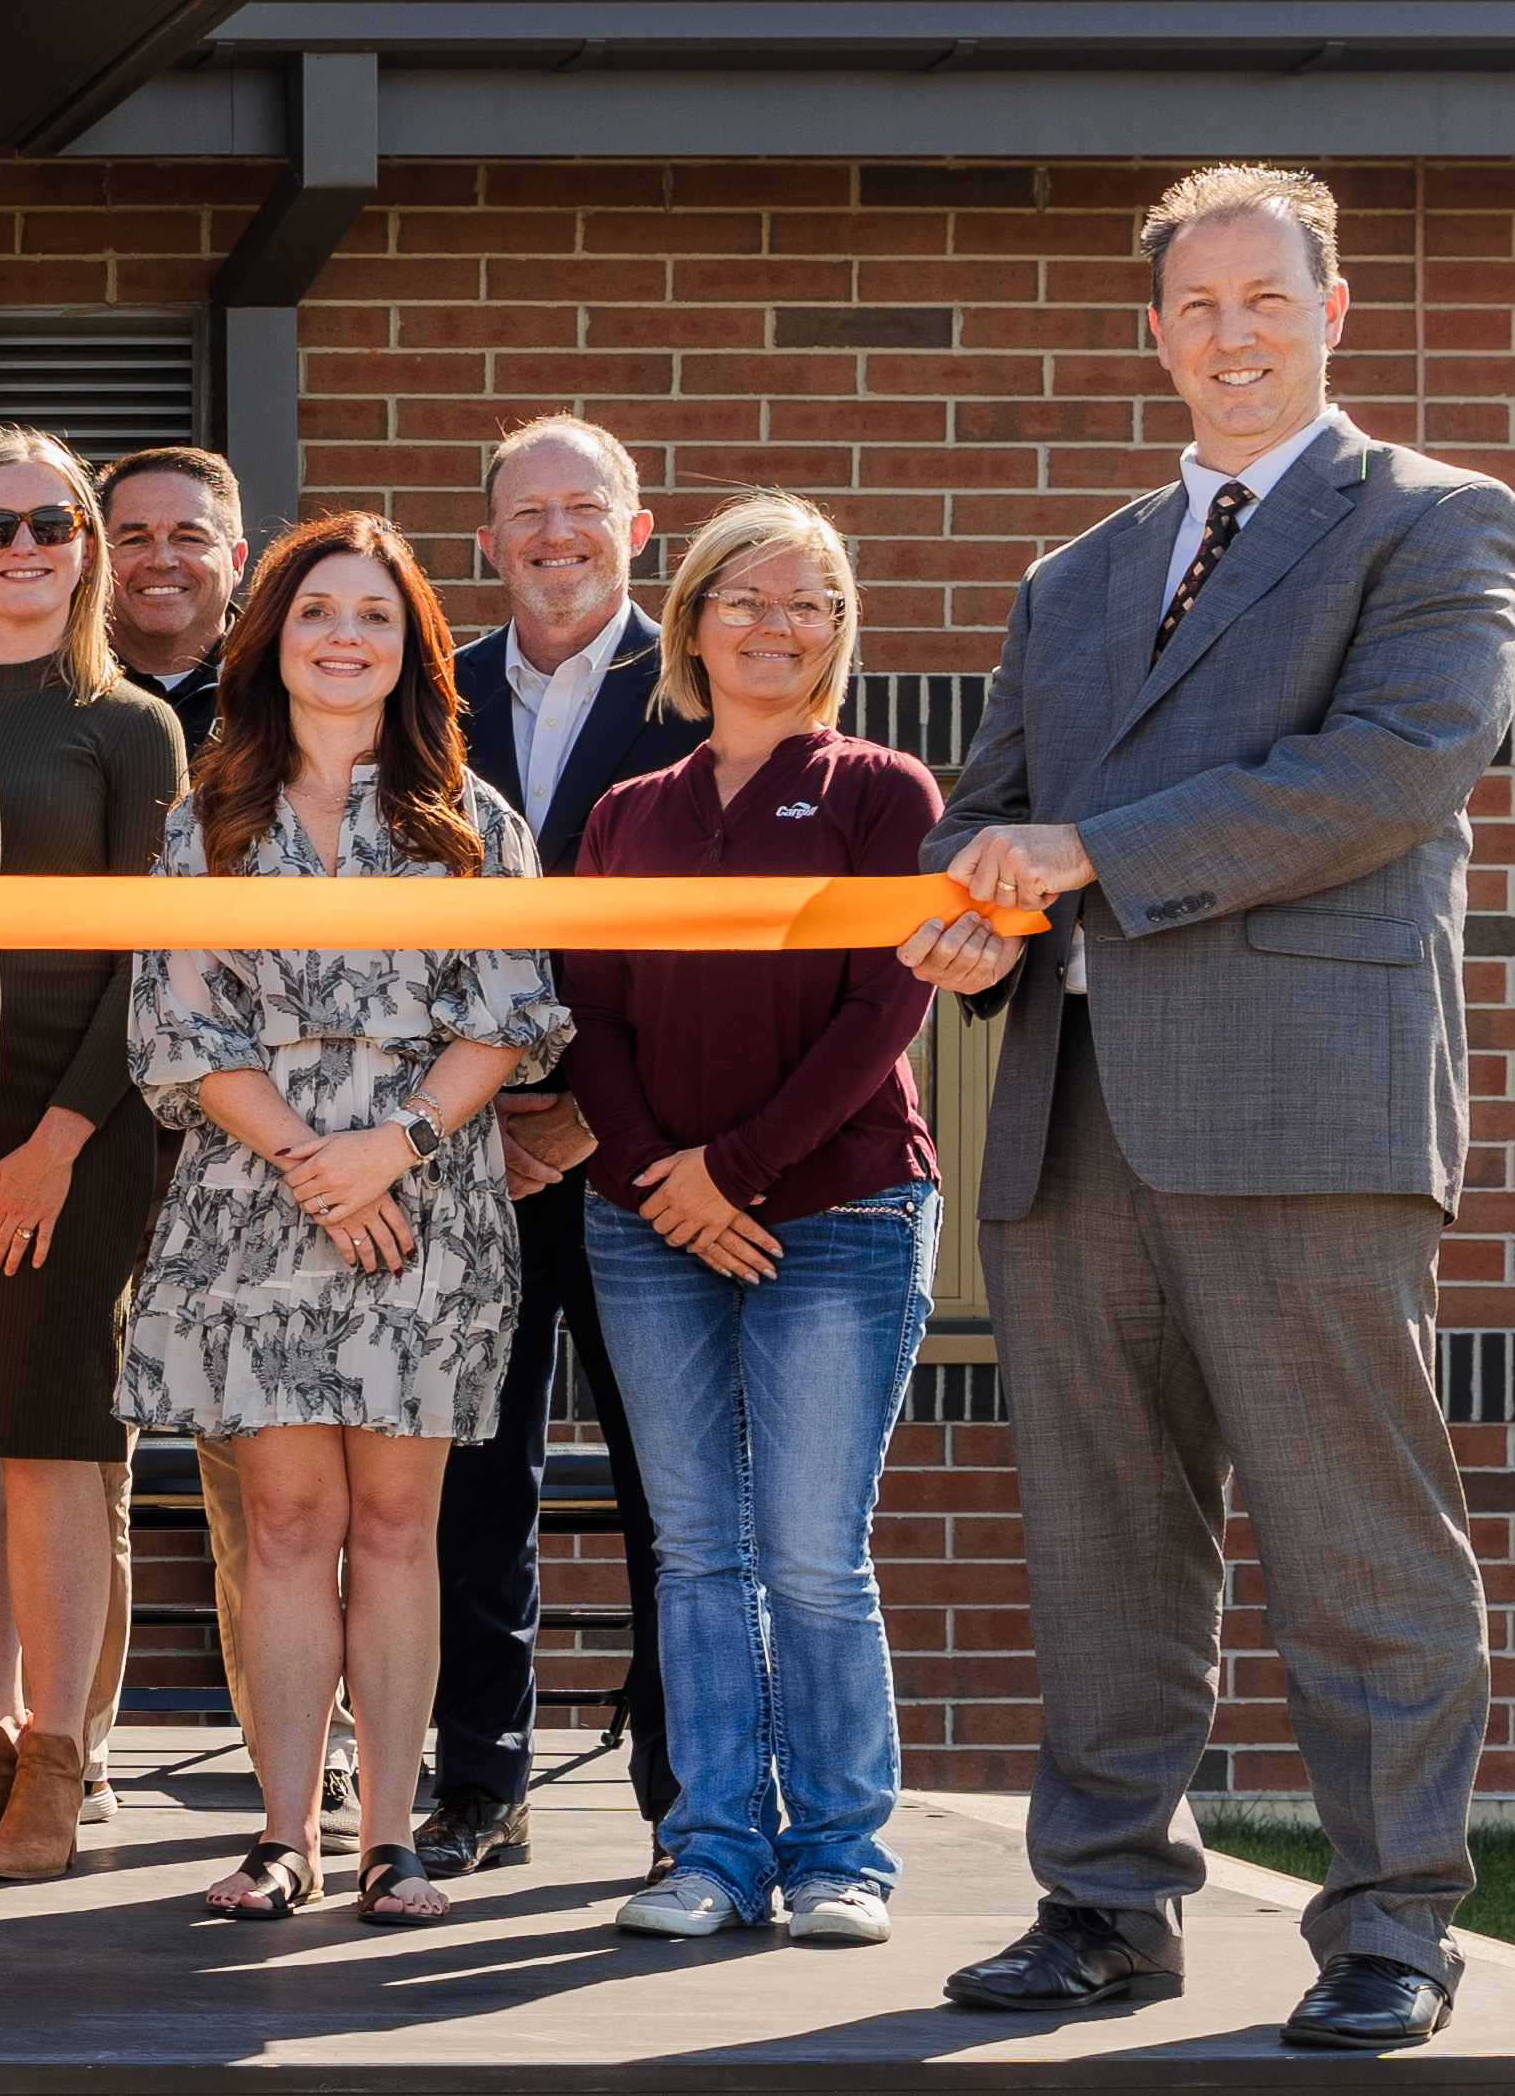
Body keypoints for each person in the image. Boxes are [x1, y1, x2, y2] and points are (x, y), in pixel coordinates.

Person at [905, 168, 1515, 2054]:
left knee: (1352, 1527)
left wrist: (1081, 848)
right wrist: (958, 907)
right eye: (1195, 305)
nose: (1231, 332)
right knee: (1100, 1534)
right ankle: (1102, 1901)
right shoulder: (1071, 573)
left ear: (1327, 311)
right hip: (1073, 1109)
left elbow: (1390, 769)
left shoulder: (1429, 521)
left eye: (1265, 297)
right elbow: (986, 801)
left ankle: (1390, 1921)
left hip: (1303, 1102)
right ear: (1151, 333)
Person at [119, 512, 568, 1930]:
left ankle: (390, 1840)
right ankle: (281, 1833)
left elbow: (511, 1018)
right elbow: (174, 1023)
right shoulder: (206, 820)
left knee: (394, 1526)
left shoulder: (474, 822)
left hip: (425, 1202)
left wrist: (395, 1144)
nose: (344, 636)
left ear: (412, 648)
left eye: (375, 615)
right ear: (273, 641)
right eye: (320, 611)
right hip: (257, 1199)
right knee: (286, 1518)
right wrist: (318, 1156)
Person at [561, 493, 943, 1948]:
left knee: (810, 1550)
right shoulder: (626, 811)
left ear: (839, 633)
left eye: (810, 602)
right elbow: (585, 1010)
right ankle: (712, 1847)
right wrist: (667, 1169)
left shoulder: (882, 788)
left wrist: (742, 1168)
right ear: (696, 617)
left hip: (836, 1211)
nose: (776, 625)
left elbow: (885, 1005)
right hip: (646, 1217)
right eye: (748, 597)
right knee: (696, 1549)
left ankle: (842, 1850)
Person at [0, 437, 184, 1886]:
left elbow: (155, 957)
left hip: (82, 1119)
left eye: (52, 521)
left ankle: (66, 1755)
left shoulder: (129, 725)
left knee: (57, 1437)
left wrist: (58, 1142)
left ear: (87, 547)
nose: (22, 542)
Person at [421, 414, 701, 1885]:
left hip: (649, 1149)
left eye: (582, 507)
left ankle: (681, 1798)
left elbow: (706, 948)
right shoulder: (431, 694)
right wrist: (488, 1109)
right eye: (523, 511)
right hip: (469, 1156)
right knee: (480, 1477)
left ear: (636, 527)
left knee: (673, 1489)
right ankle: (479, 1782)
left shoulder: (709, 682)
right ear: (485, 540)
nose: (554, 534)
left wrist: (586, 1105)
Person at [95, 443, 266, 1808]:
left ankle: (296, 1753)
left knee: (259, 1455)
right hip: (83, 1113)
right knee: (81, 1442)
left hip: (250, 1126)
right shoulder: (50, 693)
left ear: (239, 554)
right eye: (132, 530)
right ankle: (66, 1752)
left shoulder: (290, 702)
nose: (161, 555)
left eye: (190, 534)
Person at [103, 447, 248, 753]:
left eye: (189, 538)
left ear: (237, 562)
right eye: (134, 540)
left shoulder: (290, 686)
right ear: (97, 559)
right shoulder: (55, 684)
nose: (161, 561)